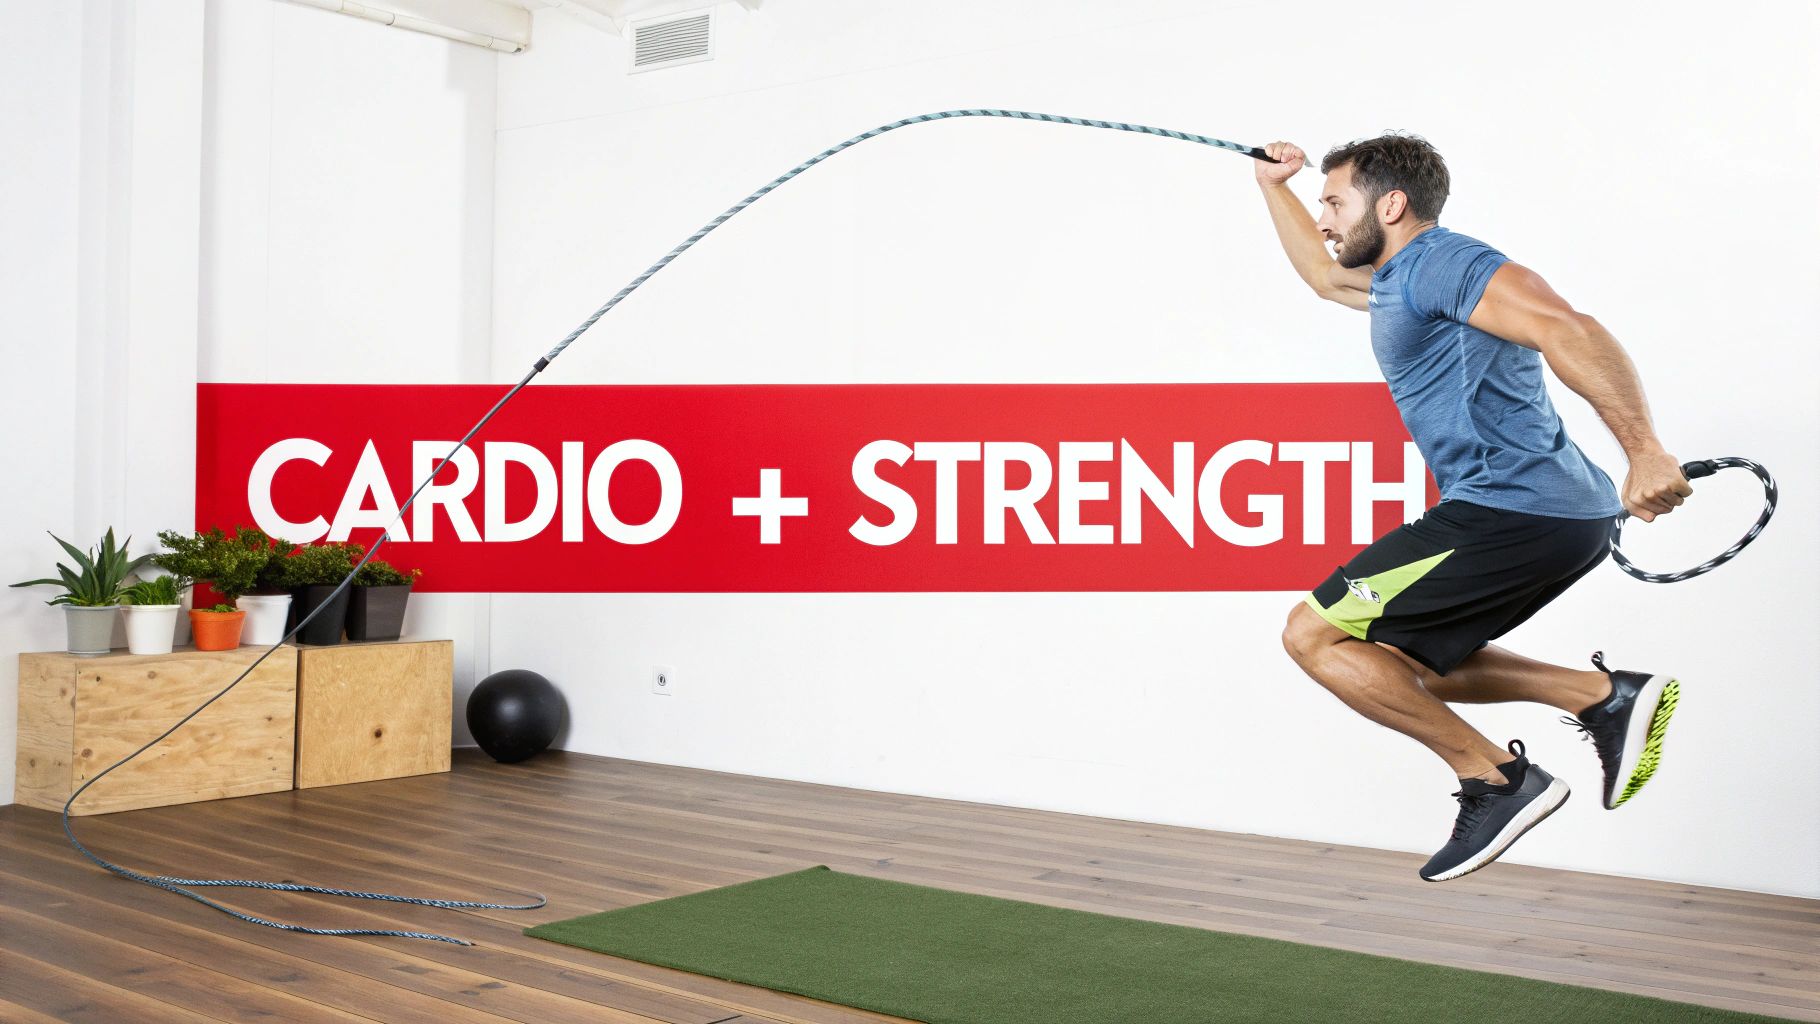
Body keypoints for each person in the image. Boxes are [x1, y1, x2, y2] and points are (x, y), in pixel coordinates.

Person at [1257, 132, 1691, 881]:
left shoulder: (1445, 262)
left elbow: (1569, 328)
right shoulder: (1398, 279)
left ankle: (1496, 780)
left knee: (1314, 637)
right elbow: (1327, 281)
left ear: (1391, 204)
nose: (1325, 218)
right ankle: (1602, 695)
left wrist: (1646, 450)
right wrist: (1277, 188)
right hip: (1550, 512)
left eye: (1335, 201)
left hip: (1513, 507)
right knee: (1395, 664)